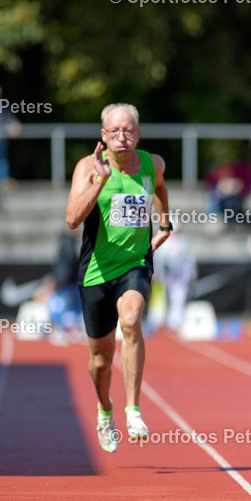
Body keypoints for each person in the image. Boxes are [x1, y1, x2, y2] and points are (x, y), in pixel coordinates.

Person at [65, 104, 171, 454]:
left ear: (137, 133)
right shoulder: (88, 167)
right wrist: (101, 180)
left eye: (128, 132)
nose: (121, 138)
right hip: (96, 271)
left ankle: (133, 409)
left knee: (131, 320)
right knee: (100, 360)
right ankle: (105, 408)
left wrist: (165, 224)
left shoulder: (151, 163)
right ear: (103, 136)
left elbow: (159, 186)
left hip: (135, 264)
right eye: (114, 132)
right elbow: (72, 219)